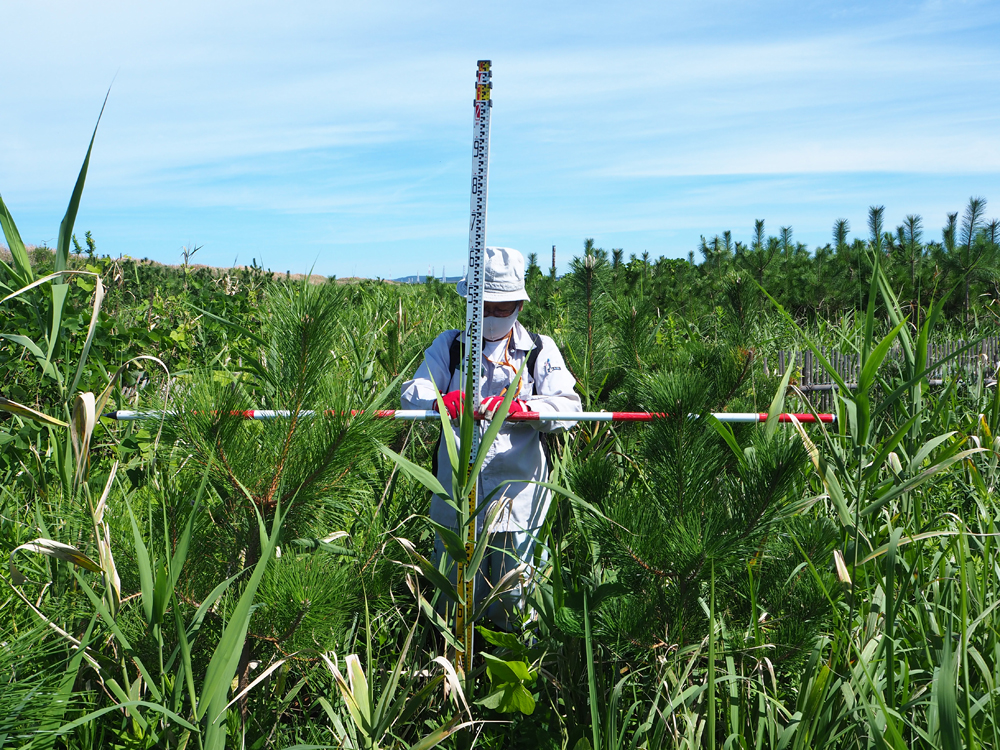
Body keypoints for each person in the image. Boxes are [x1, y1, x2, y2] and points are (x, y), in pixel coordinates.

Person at [401, 246, 581, 628]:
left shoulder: (537, 350)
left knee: (514, 603)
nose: (495, 317)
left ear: (519, 303)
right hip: (456, 502)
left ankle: (514, 673)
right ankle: (450, 676)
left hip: (516, 505)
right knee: (452, 603)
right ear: (470, 301)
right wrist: (439, 401)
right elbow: (412, 391)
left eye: (505, 308)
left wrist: (529, 411)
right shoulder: (450, 346)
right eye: (485, 307)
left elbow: (569, 407)